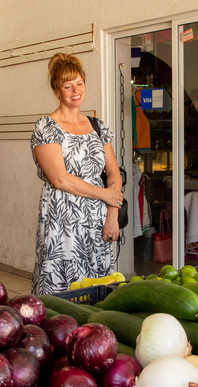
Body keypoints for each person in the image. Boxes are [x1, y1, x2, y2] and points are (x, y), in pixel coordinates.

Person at [30, 53, 123, 294]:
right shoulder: (46, 127)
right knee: (61, 284)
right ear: (56, 90)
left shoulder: (98, 126)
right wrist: (105, 195)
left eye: (79, 83)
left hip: (98, 218)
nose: (75, 90)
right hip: (62, 217)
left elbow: (114, 173)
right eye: (67, 85)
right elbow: (59, 179)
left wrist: (112, 214)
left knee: (98, 284)